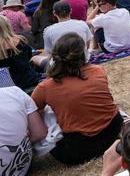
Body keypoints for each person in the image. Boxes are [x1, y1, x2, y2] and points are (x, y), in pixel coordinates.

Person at [32, 34, 123, 165]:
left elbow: (32, 113)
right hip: (114, 135)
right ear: (83, 53)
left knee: (44, 113)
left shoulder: (45, 87)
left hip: (76, 151)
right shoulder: (98, 71)